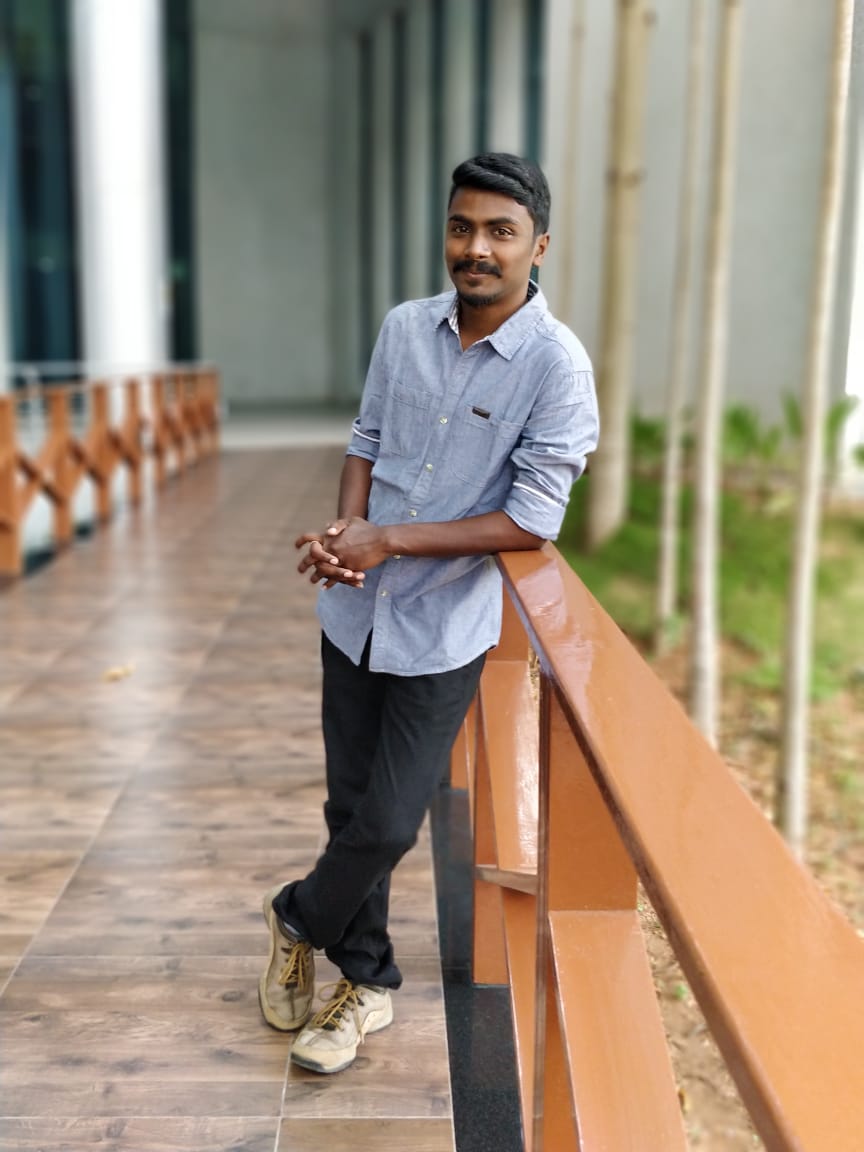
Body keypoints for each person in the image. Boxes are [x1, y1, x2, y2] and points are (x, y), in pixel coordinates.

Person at [259, 152, 599, 1074]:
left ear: (538, 247)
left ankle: (296, 915)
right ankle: (364, 983)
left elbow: (531, 520)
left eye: (500, 232)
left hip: (443, 627)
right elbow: (366, 439)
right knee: (348, 808)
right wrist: (348, 533)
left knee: (388, 821)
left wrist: (391, 544)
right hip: (354, 614)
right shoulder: (405, 326)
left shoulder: (557, 368)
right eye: (462, 227)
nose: (476, 247)